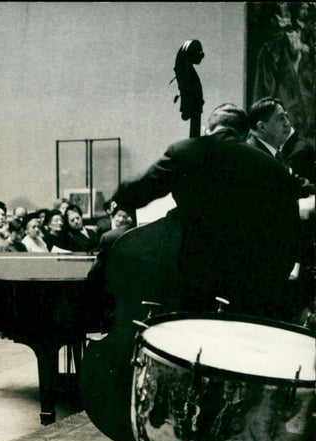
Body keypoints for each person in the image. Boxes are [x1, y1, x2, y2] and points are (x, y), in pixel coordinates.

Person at [111, 103, 301, 318]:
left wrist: (117, 201)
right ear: (246, 133)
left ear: (207, 130)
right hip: (251, 283)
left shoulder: (184, 151)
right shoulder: (274, 168)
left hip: (192, 275)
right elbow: (290, 234)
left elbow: (137, 191)